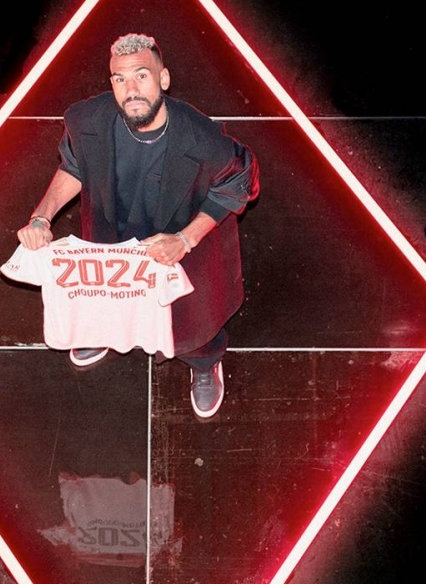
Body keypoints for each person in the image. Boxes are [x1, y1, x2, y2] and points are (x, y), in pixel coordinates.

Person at [16, 32, 259, 419]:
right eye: (120, 79)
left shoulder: (202, 139)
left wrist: (185, 240)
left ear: (163, 79)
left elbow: (239, 183)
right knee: (105, 296)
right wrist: (41, 217)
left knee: (191, 321)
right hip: (114, 235)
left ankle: (204, 364)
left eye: (141, 76)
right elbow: (73, 166)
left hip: (178, 241)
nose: (131, 91)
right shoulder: (86, 120)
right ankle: (103, 333)